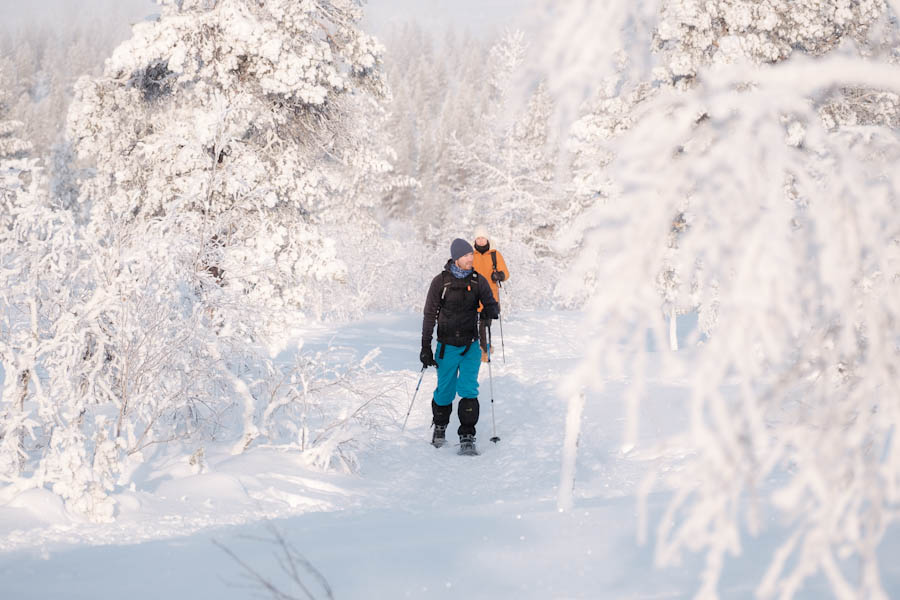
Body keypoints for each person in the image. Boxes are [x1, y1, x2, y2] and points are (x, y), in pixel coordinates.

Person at [420, 238, 500, 454]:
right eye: (466, 256)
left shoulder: (477, 280)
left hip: (471, 345)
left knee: (468, 389)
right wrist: (425, 347)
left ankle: (467, 436)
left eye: (471, 255)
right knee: (445, 391)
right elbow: (429, 315)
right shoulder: (441, 282)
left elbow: (492, 303)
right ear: (456, 258)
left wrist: (490, 310)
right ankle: (440, 427)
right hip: (446, 346)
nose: (470, 259)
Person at [471, 225, 509, 363]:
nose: (481, 241)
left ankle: (485, 348)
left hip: (490, 296)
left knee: (486, 324)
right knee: (478, 324)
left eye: (483, 238)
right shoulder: (471, 254)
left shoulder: (495, 254)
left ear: (488, 239)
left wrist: (499, 275)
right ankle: (483, 350)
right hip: (474, 295)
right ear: (475, 240)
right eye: (478, 238)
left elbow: (506, 273)